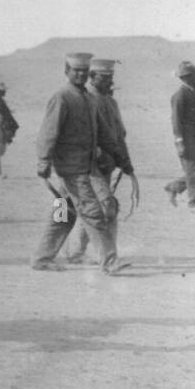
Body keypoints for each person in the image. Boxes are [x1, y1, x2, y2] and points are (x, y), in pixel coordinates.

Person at [31, 53, 134, 273]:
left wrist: (123, 160)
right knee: (92, 211)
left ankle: (41, 258)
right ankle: (109, 261)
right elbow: (48, 133)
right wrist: (43, 162)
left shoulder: (89, 99)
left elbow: (106, 134)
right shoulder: (61, 97)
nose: (80, 74)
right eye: (75, 70)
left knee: (64, 213)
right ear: (66, 71)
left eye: (83, 71)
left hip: (88, 168)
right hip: (70, 169)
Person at [65, 58, 136, 263]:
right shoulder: (84, 100)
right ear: (92, 77)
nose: (109, 81)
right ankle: (107, 257)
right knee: (104, 207)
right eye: (104, 77)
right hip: (86, 166)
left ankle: (76, 252)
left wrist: (125, 162)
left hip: (106, 165)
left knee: (95, 208)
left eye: (111, 77)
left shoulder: (110, 102)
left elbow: (118, 135)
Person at [164, 61, 195, 210]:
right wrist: (180, 142)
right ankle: (193, 203)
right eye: (190, 76)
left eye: (193, 75)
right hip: (186, 135)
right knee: (193, 170)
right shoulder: (179, 96)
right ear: (184, 78)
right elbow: (176, 121)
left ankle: (174, 187)